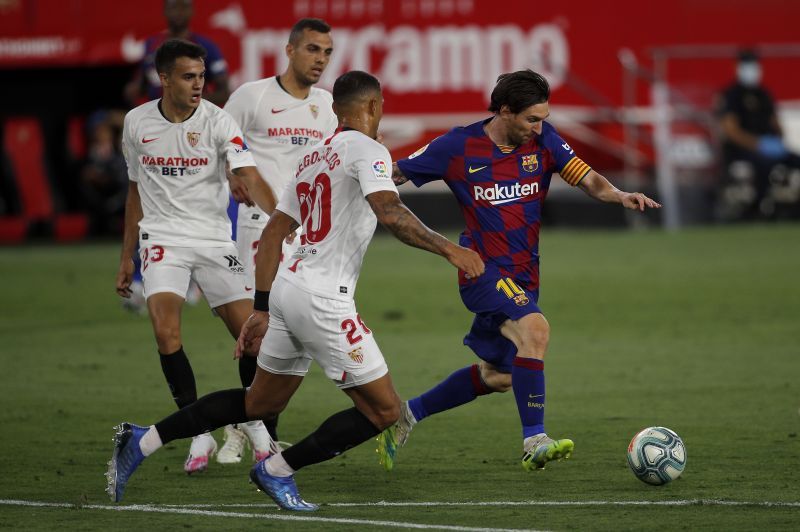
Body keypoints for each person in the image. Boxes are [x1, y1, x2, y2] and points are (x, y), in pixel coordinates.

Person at [106, 70, 484, 511]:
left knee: (258, 401)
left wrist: (263, 307)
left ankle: (143, 439)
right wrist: (450, 251)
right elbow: (390, 211)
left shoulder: (312, 158)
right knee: (384, 412)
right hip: (323, 299)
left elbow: (272, 236)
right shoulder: (370, 150)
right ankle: (276, 471)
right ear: (374, 107)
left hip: (287, 289)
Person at [376, 69, 662, 472]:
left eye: (543, 117)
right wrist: (362, 163)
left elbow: (587, 178)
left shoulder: (544, 141)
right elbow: (395, 173)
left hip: (525, 277)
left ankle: (406, 415)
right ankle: (535, 440)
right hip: (481, 270)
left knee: (501, 376)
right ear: (505, 111)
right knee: (536, 330)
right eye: (532, 118)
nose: (539, 126)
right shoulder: (459, 145)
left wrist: (618, 195)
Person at [115, 39, 277, 475]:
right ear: (163, 78)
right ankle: (197, 430)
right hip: (162, 239)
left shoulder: (219, 122)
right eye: (189, 77)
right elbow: (135, 191)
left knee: (252, 336)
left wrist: (284, 225)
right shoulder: (136, 123)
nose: (199, 85)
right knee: (166, 333)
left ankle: (256, 424)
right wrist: (127, 257)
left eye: (202, 76)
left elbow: (249, 175)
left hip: (212, 239)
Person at [215, 17, 338, 464]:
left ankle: (254, 427)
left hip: (305, 236)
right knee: (259, 329)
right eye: (312, 49)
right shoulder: (253, 96)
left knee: (291, 334)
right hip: (258, 229)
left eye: (326, 52)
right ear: (288, 50)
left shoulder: (326, 105)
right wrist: (230, 173)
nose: (320, 59)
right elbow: (217, 138)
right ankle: (249, 430)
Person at [716, 49, 800, 219]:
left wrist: (778, 141)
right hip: (742, 149)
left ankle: (793, 207)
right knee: (763, 164)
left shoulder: (763, 93)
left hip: (767, 145)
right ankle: (756, 208)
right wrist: (758, 144)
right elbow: (731, 130)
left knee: (795, 160)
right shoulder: (732, 94)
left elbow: (775, 122)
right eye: (748, 65)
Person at [125, 0, 230, 107]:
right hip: (156, 115)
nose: (179, 12)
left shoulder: (207, 46)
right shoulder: (151, 44)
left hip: (193, 116)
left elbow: (224, 93)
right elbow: (143, 83)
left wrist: (190, 99)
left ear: (191, 11)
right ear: (165, 11)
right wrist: (135, 89)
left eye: (184, 7)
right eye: (174, 7)